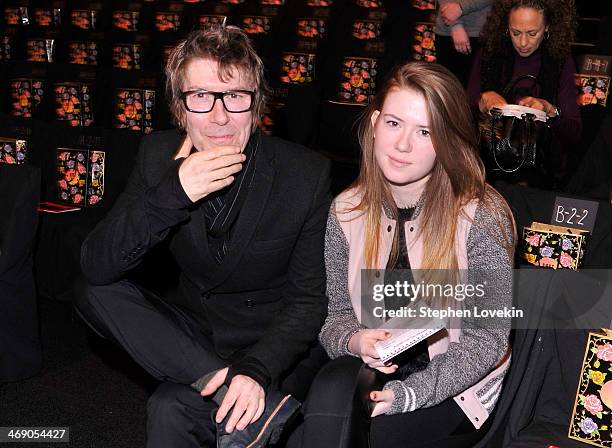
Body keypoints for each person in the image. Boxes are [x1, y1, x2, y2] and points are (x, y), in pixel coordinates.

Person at [76, 26, 331, 448]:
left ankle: (241, 388)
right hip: (197, 345)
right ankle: (218, 379)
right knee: (91, 286)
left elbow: (307, 301)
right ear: (180, 108)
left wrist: (256, 370)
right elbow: (97, 264)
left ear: (257, 105)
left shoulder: (303, 174)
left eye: (234, 96)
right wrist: (172, 194)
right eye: (200, 96)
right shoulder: (158, 156)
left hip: (272, 348)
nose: (218, 116)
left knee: (167, 408)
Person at [288, 62, 515, 448]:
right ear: (375, 123)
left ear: (448, 141)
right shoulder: (346, 209)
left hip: (460, 385)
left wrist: (409, 395)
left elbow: (486, 341)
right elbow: (336, 318)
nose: (403, 144)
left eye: (424, 131)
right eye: (394, 123)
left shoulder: (483, 215)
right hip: (375, 371)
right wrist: (356, 342)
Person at [467, 0, 581, 183]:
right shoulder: (489, 53)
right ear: (506, 27)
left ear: (547, 27)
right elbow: (460, 119)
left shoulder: (560, 60)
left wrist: (549, 110)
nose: (523, 42)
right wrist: (481, 101)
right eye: (515, 33)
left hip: (542, 173)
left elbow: (574, 132)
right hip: (488, 171)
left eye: (532, 33)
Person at [434, 0, 493, 86]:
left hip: (483, 31)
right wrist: (455, 24)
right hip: (447, 31)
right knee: (448, 91)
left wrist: (462, 7)